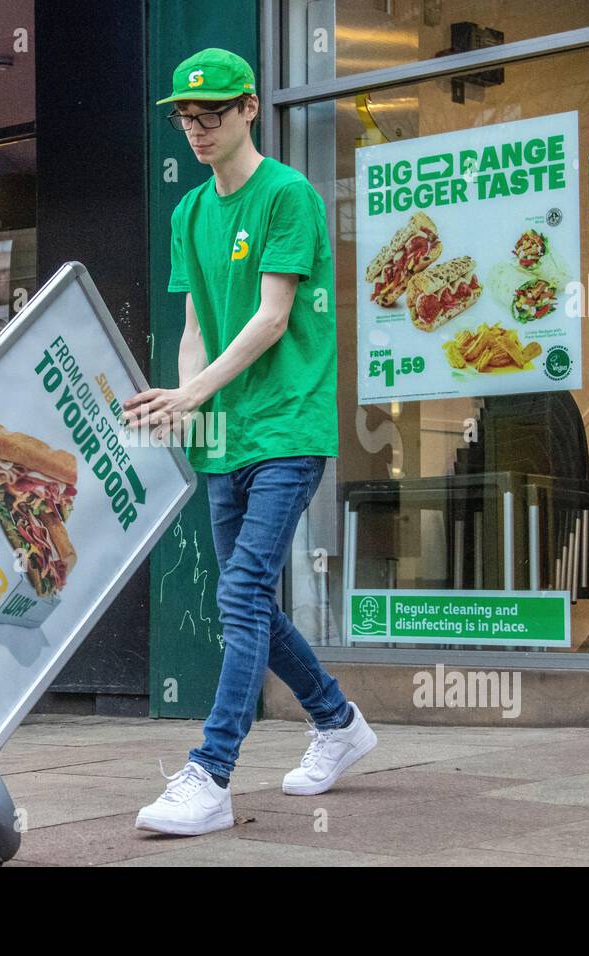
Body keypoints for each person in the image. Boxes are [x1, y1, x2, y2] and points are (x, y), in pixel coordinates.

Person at [122, 48, 378, 837]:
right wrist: (187, 409)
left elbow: (270, 320)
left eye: (211, 113)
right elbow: (197, 327)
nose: (195, 129)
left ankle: (211, 775)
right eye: (184, 117)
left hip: (289, 426)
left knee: (238, 594)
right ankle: (337, 723)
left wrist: (193, 392)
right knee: (253, 602)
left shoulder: (289, 196)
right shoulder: (188, 213)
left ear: (249, 110)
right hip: (225, 436)